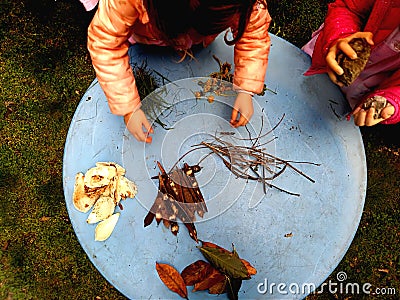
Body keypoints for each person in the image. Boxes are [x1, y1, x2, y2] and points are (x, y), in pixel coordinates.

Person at [79, 0, 271, 143]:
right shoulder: (125, 3)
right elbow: (105, 44)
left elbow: (253, 33)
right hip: (148, 34)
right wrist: (128, 107)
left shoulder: (237, 4)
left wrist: (246, 88)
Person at [302, 0, 400, 127]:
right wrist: (340, 37)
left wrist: (393, 99)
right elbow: (348, 7)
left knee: (324, 120)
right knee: (299, 80)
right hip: (327, 55)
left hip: (364, 91)